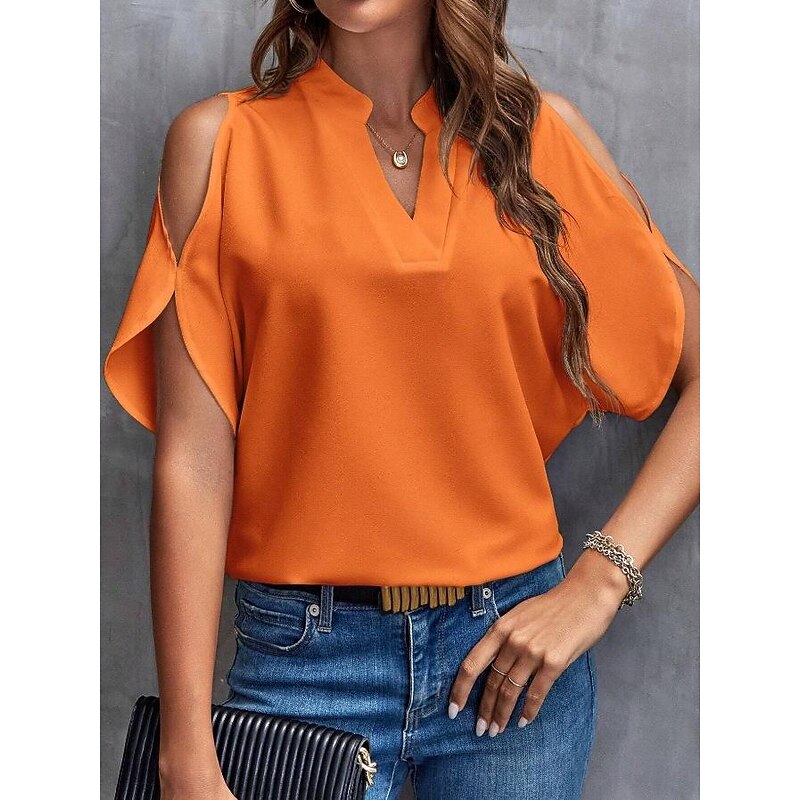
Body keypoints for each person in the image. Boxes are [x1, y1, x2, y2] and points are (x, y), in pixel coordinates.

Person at [102, 0, 700, 798]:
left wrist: (600, 581)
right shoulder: (220, 143)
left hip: (512, 662)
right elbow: (194, 460)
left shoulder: (536, 137)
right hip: (301, 668)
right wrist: (184, 748)